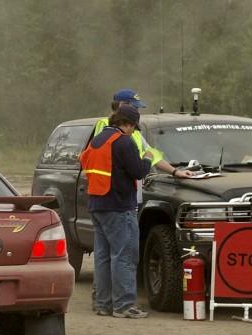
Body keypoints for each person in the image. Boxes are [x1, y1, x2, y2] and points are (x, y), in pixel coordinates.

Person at [80, 105, 151, 318]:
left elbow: (83, 161)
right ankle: (124, 305)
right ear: (127, 124)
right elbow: (138, 171)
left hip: (97, 204)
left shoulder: (98, 140)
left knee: (103, 258)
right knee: (124, 255)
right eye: (133, 127)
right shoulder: (123, 141)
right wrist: (147, 157)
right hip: (119, 206)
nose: (133, 132)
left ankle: (103, 304)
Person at [94, 88, 193, 180]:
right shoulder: (104, 124)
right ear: (121, 105)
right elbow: (101, 157)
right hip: (111, 186)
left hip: (129, 184)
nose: (137, 111)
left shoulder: (134, 130)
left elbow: (151, 154)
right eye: (135, 107)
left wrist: (175, 171)